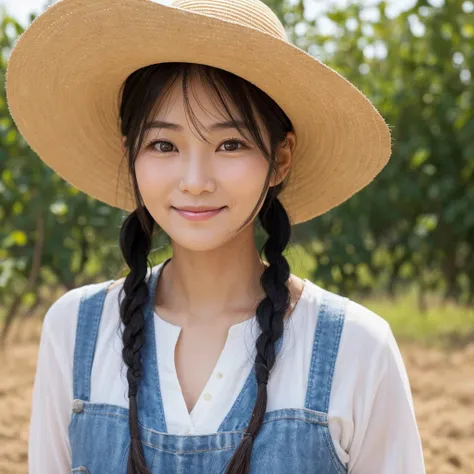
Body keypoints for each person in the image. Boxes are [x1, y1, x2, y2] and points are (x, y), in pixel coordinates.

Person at [6, 0, 426, 473]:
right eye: (163, 144)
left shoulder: (356, 347)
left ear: (280, 158)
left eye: (231, 144)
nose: (195, 180)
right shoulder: (75, 332)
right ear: (131, 155)